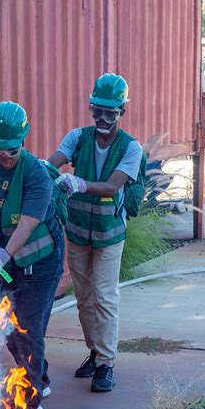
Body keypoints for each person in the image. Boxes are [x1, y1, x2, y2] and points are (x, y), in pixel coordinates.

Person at [0, 101, 64, 409]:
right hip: (0, 261)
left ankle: (30, 396)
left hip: (40, 259)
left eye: (10, 151)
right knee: (6, 326)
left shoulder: (36, 172)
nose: (3, 157)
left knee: (28, 324)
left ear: (23, 142)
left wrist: (4, 253)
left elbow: (27, 223)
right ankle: (40, 377)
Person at [48, 73, 143, 392]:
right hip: (76, 231)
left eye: (110, 112)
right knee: (84, 300)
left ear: (122, 112)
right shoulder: (77, 138)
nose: (103, 119)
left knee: (104, 298)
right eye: (97, 111)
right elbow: (52, 164)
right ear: (90, 108)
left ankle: (105, 363)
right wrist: (38, 169)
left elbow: (113, 186)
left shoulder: (131, 148)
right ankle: (94, 351)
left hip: (109, 234)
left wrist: (80, 184)